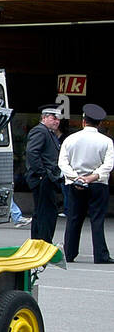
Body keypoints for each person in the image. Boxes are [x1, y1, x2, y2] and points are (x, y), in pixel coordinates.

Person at [58, 103, 113, 264]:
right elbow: (108, 165)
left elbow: (62, 163)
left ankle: (69, 252)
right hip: (98, 184)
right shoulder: (106, 141)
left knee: (74, 218)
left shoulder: (70, 139)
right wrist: (92, 177)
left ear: (83, 121)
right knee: (97, 219)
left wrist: (76, 177)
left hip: (75, 184)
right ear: (100, 123)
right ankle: (100, 255)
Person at [25, 106, 64, 242]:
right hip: (42, 178)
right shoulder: (40, 131)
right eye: (54, 118)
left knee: (43, 211)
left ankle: (38, 242)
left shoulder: (49, 132)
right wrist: (42, 173)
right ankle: (43, 242)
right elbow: (32, 152)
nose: (57, 121)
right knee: (46, 212)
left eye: (58, 119)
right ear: (44, 118)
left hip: (46, 177)